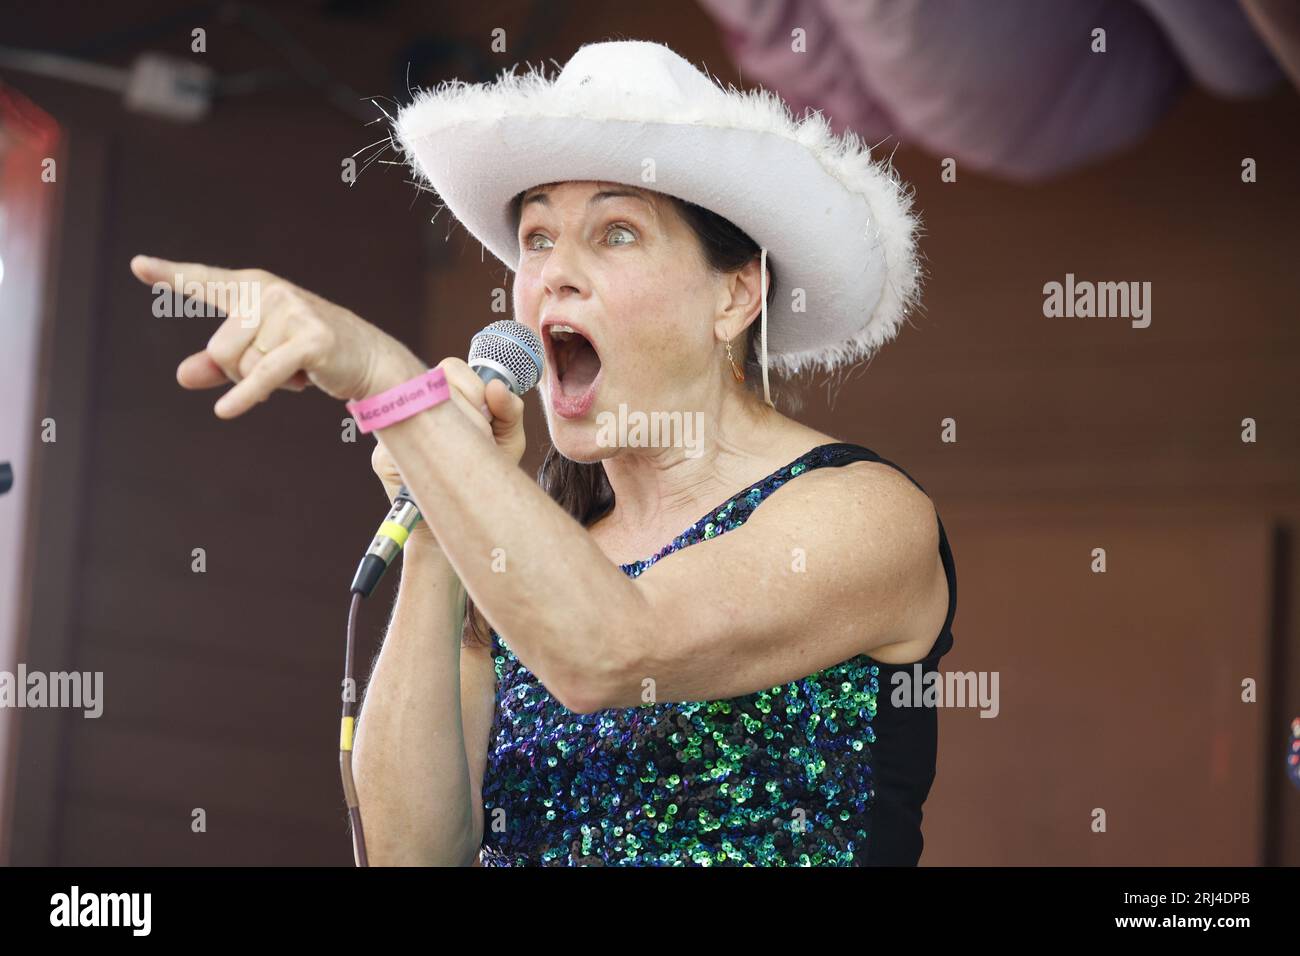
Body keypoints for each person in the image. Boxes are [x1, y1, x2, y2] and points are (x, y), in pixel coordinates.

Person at [130, 39, 956, 866]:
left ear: (736, 292)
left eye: (617, 233)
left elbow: (612, 650)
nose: (554, 273)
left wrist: (388, 379)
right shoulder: (530, 551)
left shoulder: (865, 514)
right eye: (536, 238)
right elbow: (408, 855)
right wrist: (438, 513)